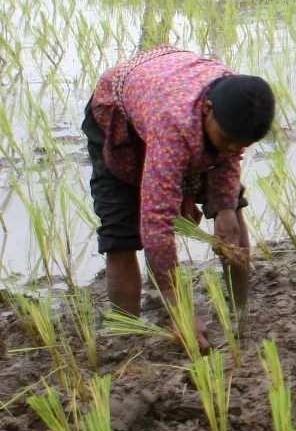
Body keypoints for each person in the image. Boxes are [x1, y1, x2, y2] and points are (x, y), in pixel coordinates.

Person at [83, 47, 274, 352]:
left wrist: (224, 206)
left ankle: (240, 310)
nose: (231, 150)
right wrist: (180, 311)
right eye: (226, 140)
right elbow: (157, 222)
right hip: (121, 121)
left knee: (233, 212)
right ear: (208, 109)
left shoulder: (239, 104)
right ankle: (127, 337)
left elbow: (228, 154)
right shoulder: (174, 124)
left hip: (167, 97)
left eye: (241, 145)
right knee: (121, 232)